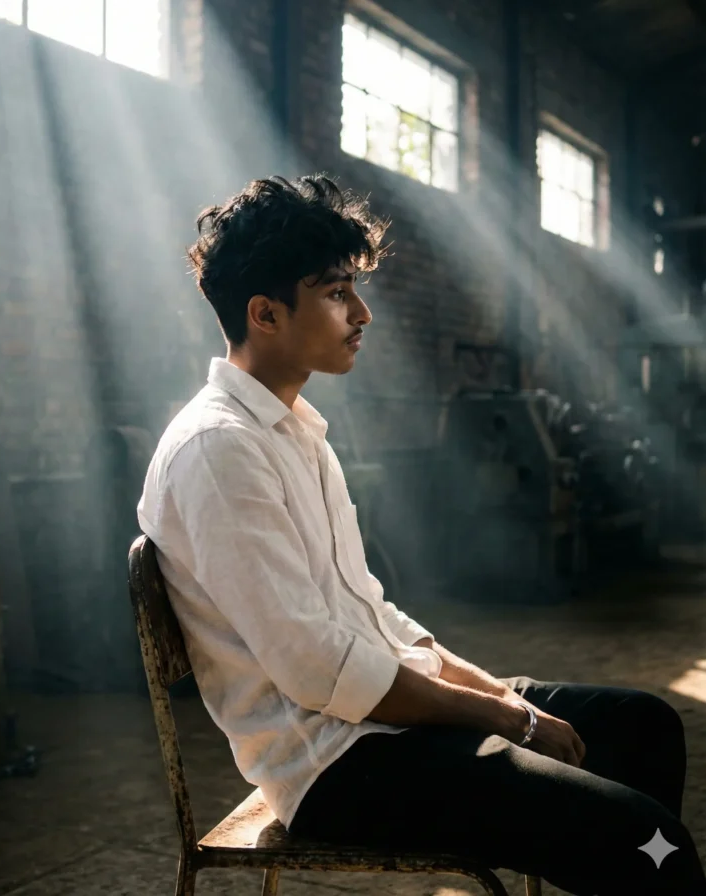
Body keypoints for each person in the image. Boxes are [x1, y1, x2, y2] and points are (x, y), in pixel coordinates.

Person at [138, 175, 705, 895]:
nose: (361, 312)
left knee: (643, 724)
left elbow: (372, 614)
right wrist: (508, 719)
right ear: (265, 313)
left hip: (386, 724)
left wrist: (495, 693)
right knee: (647, 843)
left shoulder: (295, 434)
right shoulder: (218, 450)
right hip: (335, 766)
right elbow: (317, 670)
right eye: (337, 292)